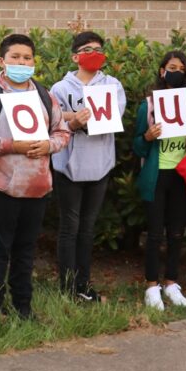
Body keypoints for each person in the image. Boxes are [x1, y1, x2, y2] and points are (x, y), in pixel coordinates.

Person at [0, 34, 70, 320]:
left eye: (27, 58)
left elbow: (62, 132)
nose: (21, 62)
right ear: (2, 61)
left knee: (25, 251)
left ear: (34, 62)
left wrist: (50, 145)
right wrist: (11, 146)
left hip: (37, 189)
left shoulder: (46, 96)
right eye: (15, 57)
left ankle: (23, 306)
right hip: (1, 188)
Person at [50, 31, 126, 302]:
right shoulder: (60, 88)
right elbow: (52, 118)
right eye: (87, 49)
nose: (93, 52)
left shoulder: (112, 85)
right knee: (69, 227)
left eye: (98, 48)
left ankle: (83, 284)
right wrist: (74, 119)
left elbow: (115, 115)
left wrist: (77, 118)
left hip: (100, 165)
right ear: (75, 56)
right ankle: (67, 286)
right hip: (67, 166)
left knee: (88, 228)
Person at [133, 50, 186, 310]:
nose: (176, 71)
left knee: (176, 232)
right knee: (155, 233)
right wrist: (147, 137)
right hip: (157, 174)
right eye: (172, 67)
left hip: (182, 174)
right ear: (162, 71)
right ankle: (151, 285)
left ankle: (172, 282)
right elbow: (136, 146)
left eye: (182, 68)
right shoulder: (148, 105)